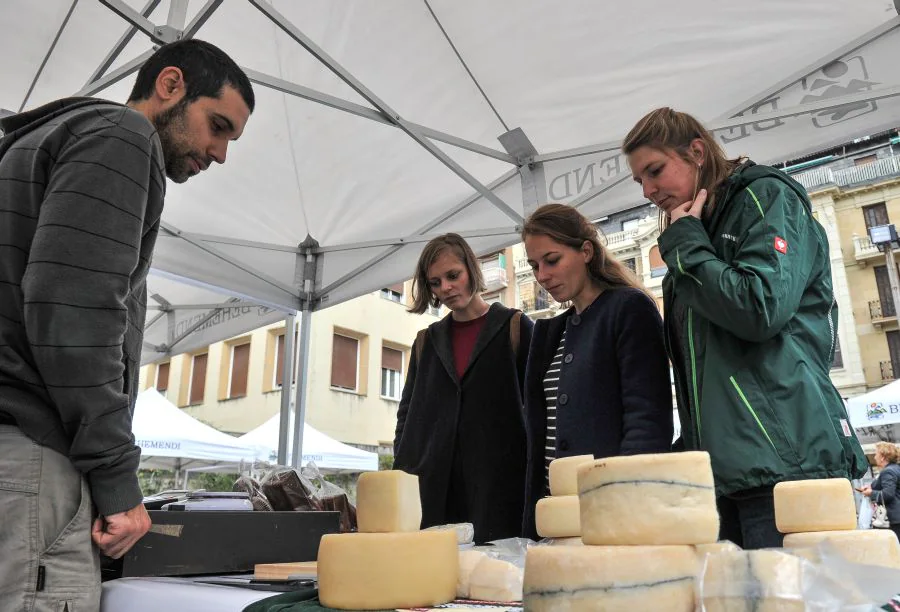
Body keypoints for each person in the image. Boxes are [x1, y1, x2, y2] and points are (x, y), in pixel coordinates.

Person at [0, 39, 254, 610]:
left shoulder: (34, 146)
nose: (218, 154)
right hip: (33, 456)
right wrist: (117, 481)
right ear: (170, 86)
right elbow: (75, 312)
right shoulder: (123, 136)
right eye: (217, 126)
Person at [623, 107, 867, 549]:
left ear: (697, 151)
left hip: (786, 464)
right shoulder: (695, 231)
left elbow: (760, 308)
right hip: (724, 474)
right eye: (639, 180)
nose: (649, 189)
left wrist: (685, 246)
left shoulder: (763, 197)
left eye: (654, 171)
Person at [520, 203, 673, 539]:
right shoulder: (548, 334)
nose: (541, 276)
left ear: (585, 251)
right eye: (534, 266)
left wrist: (622, 505)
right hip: (554, 518)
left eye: (552, 259)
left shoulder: (628, 308)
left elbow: (647, 419)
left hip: (611, 517)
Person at [393, 234, 533, 544]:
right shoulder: (425, 342)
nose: (445, 288)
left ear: (471, 268)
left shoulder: (516, 327)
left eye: (453, 275)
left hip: (498, 490)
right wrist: (401, 475)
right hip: (432, 492)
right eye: (435, 282)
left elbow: (539, 409)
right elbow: (406, 417)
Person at [862, 442, 900, 542]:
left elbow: (888, 494)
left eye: (876, 454)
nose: (875, 457)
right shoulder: (896, 469)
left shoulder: (888, 471)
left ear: (882, 457)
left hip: (894, 518)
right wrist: (871, 487)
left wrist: (870, 493)